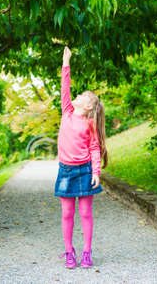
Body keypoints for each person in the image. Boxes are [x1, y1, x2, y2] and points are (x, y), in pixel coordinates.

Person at [55, 46, 108, 269]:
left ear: (88, 106)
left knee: (85, 213)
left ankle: (86, 252)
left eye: (82, 96)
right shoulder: (67, 111)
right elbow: (65, 88)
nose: (77, 95)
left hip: (85, 170)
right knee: (67, 214)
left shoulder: (89, 123)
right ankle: (69, 251)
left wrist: (96, 172)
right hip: (66, 170)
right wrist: (66, 63)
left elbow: (95, 148)